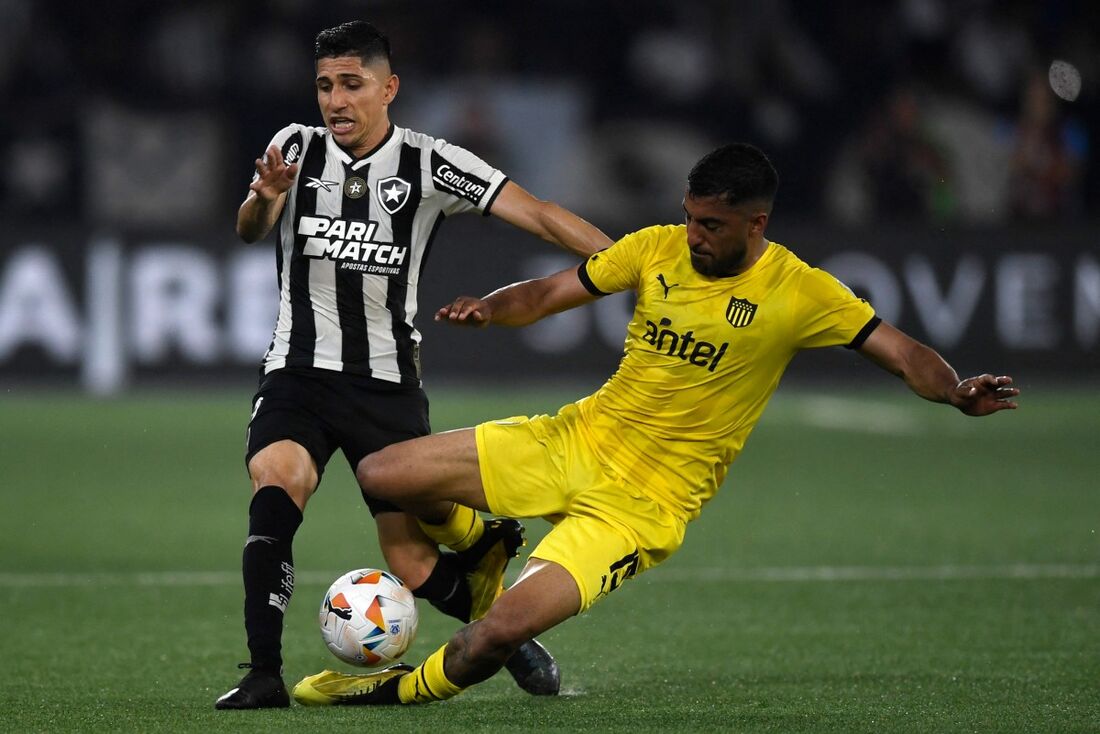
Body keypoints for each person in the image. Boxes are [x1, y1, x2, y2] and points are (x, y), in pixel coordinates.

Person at [287, 142, 1019, 706]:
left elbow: (901, 352)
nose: (693, 235)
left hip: (643, 505)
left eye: (711, 225)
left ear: (755, 223)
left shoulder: (802, 291)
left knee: (499, 632)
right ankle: (482, 553)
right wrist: (491, 306)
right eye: (690, 215)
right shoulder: (655, 247)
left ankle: (388, 690)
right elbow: (545, 293)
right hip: (577, 437)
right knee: (384, 474)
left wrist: (953, 389)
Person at [215, 20, 613, 710]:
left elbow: (542, 215)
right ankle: (262, 674)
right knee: (275, 490)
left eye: (351, 84)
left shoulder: (430, 164)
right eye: (324, 86)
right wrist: (262, 196)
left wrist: (636, 263)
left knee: (411, 562)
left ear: (388, 88)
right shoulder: (294, 147)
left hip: (386, 385)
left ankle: (507, 635)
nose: (335, 101)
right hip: (297, 373)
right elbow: (252, 229)